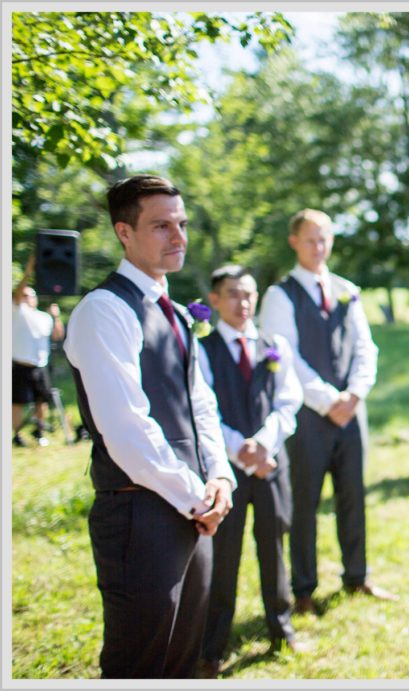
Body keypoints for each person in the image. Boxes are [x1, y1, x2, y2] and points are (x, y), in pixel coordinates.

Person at [64, 174, 236, 678]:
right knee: (138, 663)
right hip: (139, 512)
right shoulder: (104, 311)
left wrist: (220, 476)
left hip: (193, 505)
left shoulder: (179, 313)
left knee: (183, 656)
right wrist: (197, 497)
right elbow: (127, 431)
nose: (179, 237)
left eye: (181, 224)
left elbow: (200, 403)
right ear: (124, 232)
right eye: (161, 226)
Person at [259, 208, 394, 614]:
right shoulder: (280, 295)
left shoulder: (346, 289)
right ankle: (303, 589)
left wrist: (354, 394)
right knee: (304, 502)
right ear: (294, 242)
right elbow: (284, 356)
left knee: (353, 494)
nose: (319, 247)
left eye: (325, 238)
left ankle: (357, 575)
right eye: (311, 239)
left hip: (351, 412)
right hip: (306, 416)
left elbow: (365, 347)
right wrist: (326, 400)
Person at [195, 265, 305, 678]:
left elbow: (288, 402)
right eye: (233, 294)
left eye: (249, 294)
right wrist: (240, 451)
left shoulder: (273, 344)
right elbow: (203, 408)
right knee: (224, 554)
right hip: (226, 468)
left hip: (271, 463)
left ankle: (281, 626)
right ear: (216, 300)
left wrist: (264, 444)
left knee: (273, 544)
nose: (243, 303)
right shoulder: (204, 350)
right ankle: (212, 644)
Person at [12, 254, 64, 447]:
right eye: (24, 295)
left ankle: (39, 430)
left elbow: (57, 336)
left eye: (30, 295)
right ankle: (16, 435)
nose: (26, 298)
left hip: (40, 365)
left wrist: (57, 316)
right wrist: (29, 270)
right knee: (18, 401)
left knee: (41, 400)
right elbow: (18, 293)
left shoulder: (43, 317)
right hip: (20, 363)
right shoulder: (17, 311)